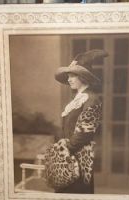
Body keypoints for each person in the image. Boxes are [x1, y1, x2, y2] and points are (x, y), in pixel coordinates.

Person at [52, 49, 108, 194]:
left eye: (73, 76)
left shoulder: (92, 99)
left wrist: (64, 149)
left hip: (80, 156)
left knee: (76, 192)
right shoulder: (77, 98)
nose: (69, 79)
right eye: (68, 76)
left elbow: (85, 131)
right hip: (68, 154)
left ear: (83, 78)